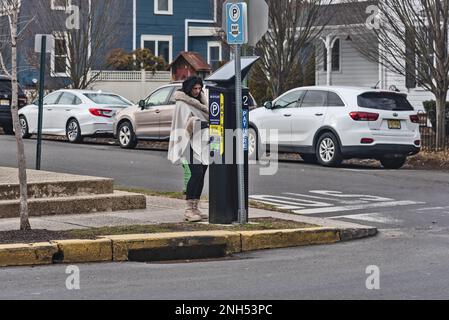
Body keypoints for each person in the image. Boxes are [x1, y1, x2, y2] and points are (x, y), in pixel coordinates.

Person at [168, 76, 209, 222]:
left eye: (199, 88)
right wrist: (194, 122)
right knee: (196, 172)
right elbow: (182, 124)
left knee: (202, 172)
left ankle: (195, 206)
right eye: (194, 88)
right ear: (188, 88)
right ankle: (188, 209)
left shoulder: (203, 100)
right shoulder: (182, 103)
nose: (197, 91)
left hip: (202, 141)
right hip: (186, 142)